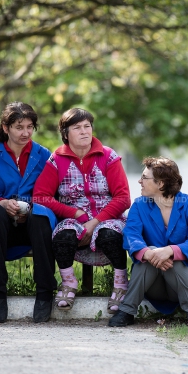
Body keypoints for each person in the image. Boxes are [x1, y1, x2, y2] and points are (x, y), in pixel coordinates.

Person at [33, 108, 131, 313]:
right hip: (74, 218)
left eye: (87, 126)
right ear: (65, 133)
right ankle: (68, 283)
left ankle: (121, 285)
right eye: (77, 127)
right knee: (63, 237)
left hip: (108, 217)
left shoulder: (108, 156)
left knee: (110, 235)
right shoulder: (56, 160)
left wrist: (94, 223)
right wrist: (75, 214)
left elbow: (123, 198)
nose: (84, 131)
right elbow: (40, 196)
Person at [108, 157, 188, 330]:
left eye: (145, 178)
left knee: (178, 258)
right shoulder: (139, 205)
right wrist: (149, 253)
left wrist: (171, 251)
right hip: (154, 281)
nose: (139, 181)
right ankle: (127, 312)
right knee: (147, 252)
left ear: (161, 184)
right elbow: (130, 236)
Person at [0, 102, 56, 323]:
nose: (26, 132)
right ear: (5, 127)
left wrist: (28, 206)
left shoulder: (44, 155)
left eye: (30, 127)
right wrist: (2, 203)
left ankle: (44, 293)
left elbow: (50, 192)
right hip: (2, 229)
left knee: (40, 216)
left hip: (33, 227)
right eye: (19, 127)